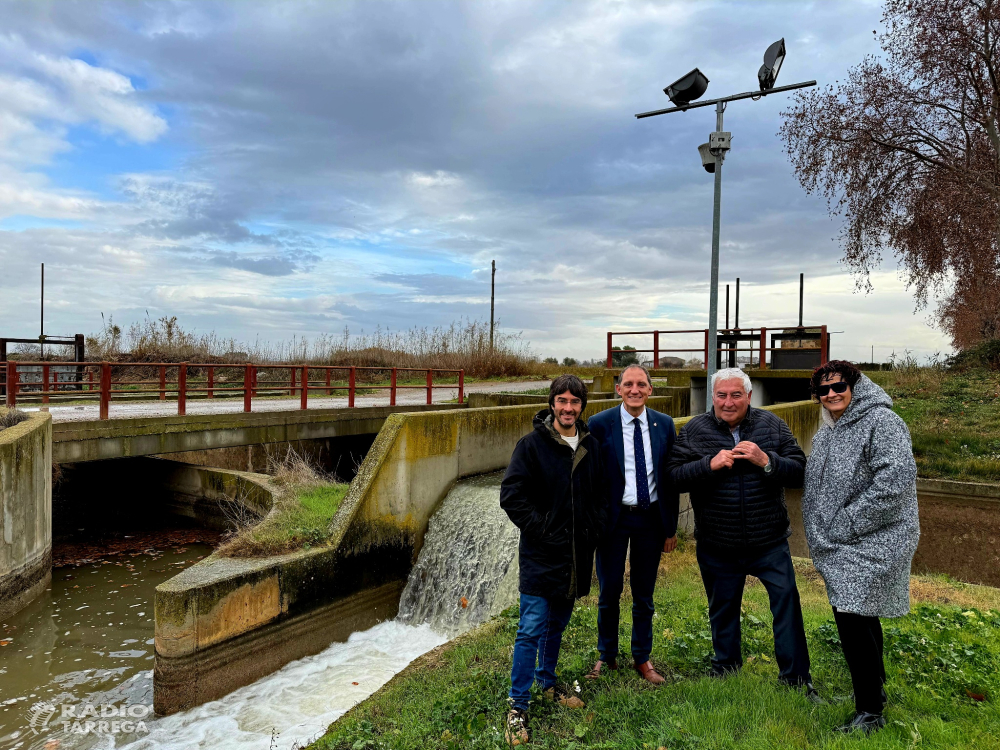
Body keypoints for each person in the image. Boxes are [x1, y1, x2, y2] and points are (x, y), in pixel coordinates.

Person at [667, 367, 818, 698]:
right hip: (718, 541)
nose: (728, 401)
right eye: (721, 395)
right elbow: (673, 477)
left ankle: (795, 678)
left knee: (786, 606)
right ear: (713, 397)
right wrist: (708, 464)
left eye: (736, 394)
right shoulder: (695, 430)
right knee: (722, 609)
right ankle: (726, 666)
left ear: (749, 396)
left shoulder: (772, 425)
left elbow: (799, 472)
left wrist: (766, 460)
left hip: (769, 541)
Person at [802, 360, 919, 735]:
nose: (831, 394)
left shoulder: (882, 422)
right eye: (824, 390)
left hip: (875, 538)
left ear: (856, 386)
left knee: (852, 617)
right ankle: (875, 693)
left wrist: (845, 523)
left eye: (839, 386)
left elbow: (894, 484)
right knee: (860, 614)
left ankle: (869, 711)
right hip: (842, 540)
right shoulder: (829, 430)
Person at [499, 374, 607, 746]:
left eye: (574, 402)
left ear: (582, 407)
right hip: (541, 555)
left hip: (576, 557)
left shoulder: (591, 446)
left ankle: (546, 683)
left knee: (557, 624)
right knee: (530, 628)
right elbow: (512, 496)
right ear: (552, 404)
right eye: (561, 400)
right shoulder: (531, 446)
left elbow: (601, 496)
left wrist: (594, 530)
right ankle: (517, 706)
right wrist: (542, 529)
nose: (568, 408)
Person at [585, 364, 680, 685]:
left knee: (644, 593)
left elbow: (669, 480)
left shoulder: (664, 425)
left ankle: (642, 657)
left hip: (650, 520)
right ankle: (606, 656)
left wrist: (670, 528)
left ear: (650, 390)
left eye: (641, 384)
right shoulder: (600, 424)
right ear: (619, 389)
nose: (635, 389)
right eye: (629, 384)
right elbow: (591, 478)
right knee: (609, 591)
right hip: (613, 520)